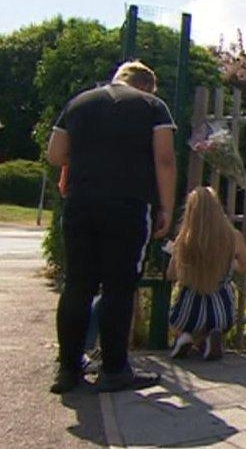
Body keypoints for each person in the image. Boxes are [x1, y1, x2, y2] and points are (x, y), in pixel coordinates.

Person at [47, 60, 176, 394]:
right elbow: (164, 159)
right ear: (145, 85)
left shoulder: (79, 103)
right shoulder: (153, 107)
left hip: (81, 203)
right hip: (128, 205)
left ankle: (68, 368)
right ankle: (115, 369)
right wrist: (166, 206)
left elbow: (55, 153)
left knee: (78, 284)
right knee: (119, 286)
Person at [166, 186, 246, 360]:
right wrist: (230, 264)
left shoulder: (183, 239)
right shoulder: (233, 237)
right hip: (222, 311)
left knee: (177, 323)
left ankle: (186, 337)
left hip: (188, 311)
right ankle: (209, 339)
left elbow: (171, 275)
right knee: (217, 318)